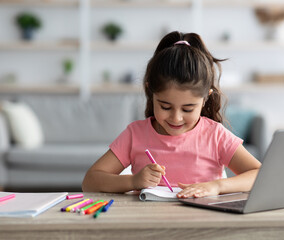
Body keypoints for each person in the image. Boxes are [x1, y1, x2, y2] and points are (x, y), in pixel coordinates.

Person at [82, 31, 261, 198]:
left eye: (188, 109)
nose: (176, 118)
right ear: (150, 92)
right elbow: (90, 182)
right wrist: (132, 181)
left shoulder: (215, 135)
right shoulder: (135, 134)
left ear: (206, 97)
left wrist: (217, 186)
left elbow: (259, 174)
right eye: (165, 107)